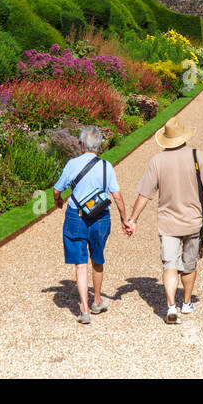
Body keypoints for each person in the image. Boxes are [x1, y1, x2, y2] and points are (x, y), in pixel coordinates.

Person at [126, 116, 203, 324]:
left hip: (168, 223)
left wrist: (132, 219)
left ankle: (170, 306)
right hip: (193, 221)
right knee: (189, 263)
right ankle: (186, 302)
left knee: (169, 264)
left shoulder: (157, 161)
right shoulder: (197, 156)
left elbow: (144, 195)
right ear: (184, 136)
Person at [52, 126, 130, 323]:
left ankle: (84, 309)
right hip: (100, 217)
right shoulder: (106, 166)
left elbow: (56, 189)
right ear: (99, 146)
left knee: (80, 264)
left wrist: (58, 200)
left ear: (81, 144)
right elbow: (117, 196)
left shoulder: (72, 164)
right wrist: (124, 219)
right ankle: (96, 300)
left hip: (76, 217)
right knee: (97, 259)